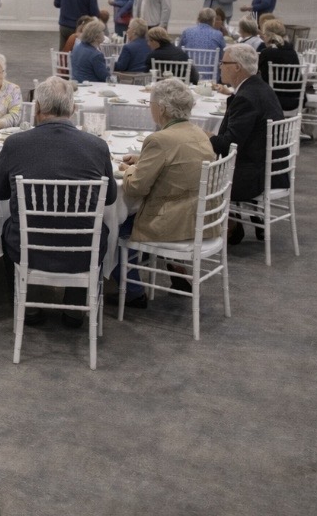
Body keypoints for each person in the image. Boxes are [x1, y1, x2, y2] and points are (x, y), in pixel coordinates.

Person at [0, 76, 117, 328]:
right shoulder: (97, 146)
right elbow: (110, 197)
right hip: (83, 250)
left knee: (9, 228)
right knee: (96, 229)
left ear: (36, 108)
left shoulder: (16, 144)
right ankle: (75, 311)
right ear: (73, 109)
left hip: (29, 248)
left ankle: (29, 307)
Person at [110, 78, 218, 308]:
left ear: (161, 108)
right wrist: (143, 160)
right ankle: (173, 270)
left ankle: (132, 292)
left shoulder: (160, 139)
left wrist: (130, 170)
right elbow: (178, 162)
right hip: (202, 218)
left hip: (173, 222)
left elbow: (135, 187)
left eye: (150, 104)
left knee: (112, 227)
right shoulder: (198, 133)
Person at [211, 44, 287, 244]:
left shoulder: (246, 98)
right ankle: (232, 224)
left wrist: (204, 136)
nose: (220, 67)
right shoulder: (261, 88)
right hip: (272, 168)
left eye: (223, 63)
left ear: (237, 67)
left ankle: (225, 229)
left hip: (254, 175)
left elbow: (228, 145)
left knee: (197, 174)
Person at [255, 20, 302, 111]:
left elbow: (256, 73)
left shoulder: (267, 53)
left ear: (267, 35)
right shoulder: (292, 52)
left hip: (272, 100)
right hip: (295, 99)